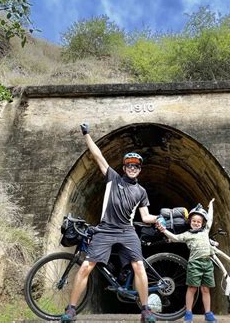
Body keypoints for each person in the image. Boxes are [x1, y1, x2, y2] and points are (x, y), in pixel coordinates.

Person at [61, 122, 160, 322]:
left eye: (136, 166)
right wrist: (87, 134)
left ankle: (146, 310)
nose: (132, 168)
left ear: (139, 170)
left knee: (139, 266)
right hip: (105, 230)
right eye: (129, 165)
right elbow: (98, 156)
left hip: (127, 231)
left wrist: (160, 219)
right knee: (87, 266)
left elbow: (145, 217)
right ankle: (71, 309)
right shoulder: (113, 178)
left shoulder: (141, 192)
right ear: (124, 167)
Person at [156, 199, 217, 323]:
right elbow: (175, 238)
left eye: (199, 221)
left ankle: (208, 313)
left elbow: (210, 218)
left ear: (202, 223)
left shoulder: (205, 231)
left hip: (208, 263)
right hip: (195, 264)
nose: (196, 223)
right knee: (192, 288)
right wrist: (164, 230)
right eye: (194, 221)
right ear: (190, 222)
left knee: (206, 289)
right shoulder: (188, 235)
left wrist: (210, 206)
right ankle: (188, 313)